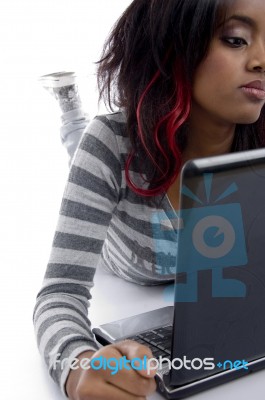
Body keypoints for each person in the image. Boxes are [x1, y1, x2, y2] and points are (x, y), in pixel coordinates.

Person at [33, 0, 265, 399]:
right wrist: (77, 364)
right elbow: (60, 292)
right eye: (236, 39)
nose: (262, 60)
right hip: (121, 251)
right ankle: (69, 103)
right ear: (173, 48)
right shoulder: (110, 145)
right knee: (79, 145)